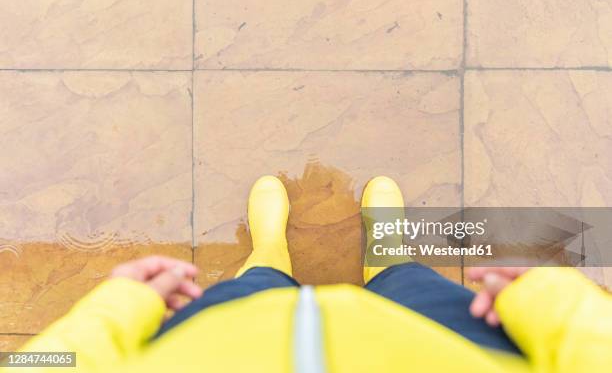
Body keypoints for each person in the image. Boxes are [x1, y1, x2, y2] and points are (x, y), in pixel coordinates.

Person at [9, 176, 612, 372]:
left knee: (256, 287)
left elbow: (33, 364)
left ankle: (269, 251)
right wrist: (553, 299)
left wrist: (113, 310)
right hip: (448, 345)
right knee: (407, 283)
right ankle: (387, 252)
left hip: (214, 351)